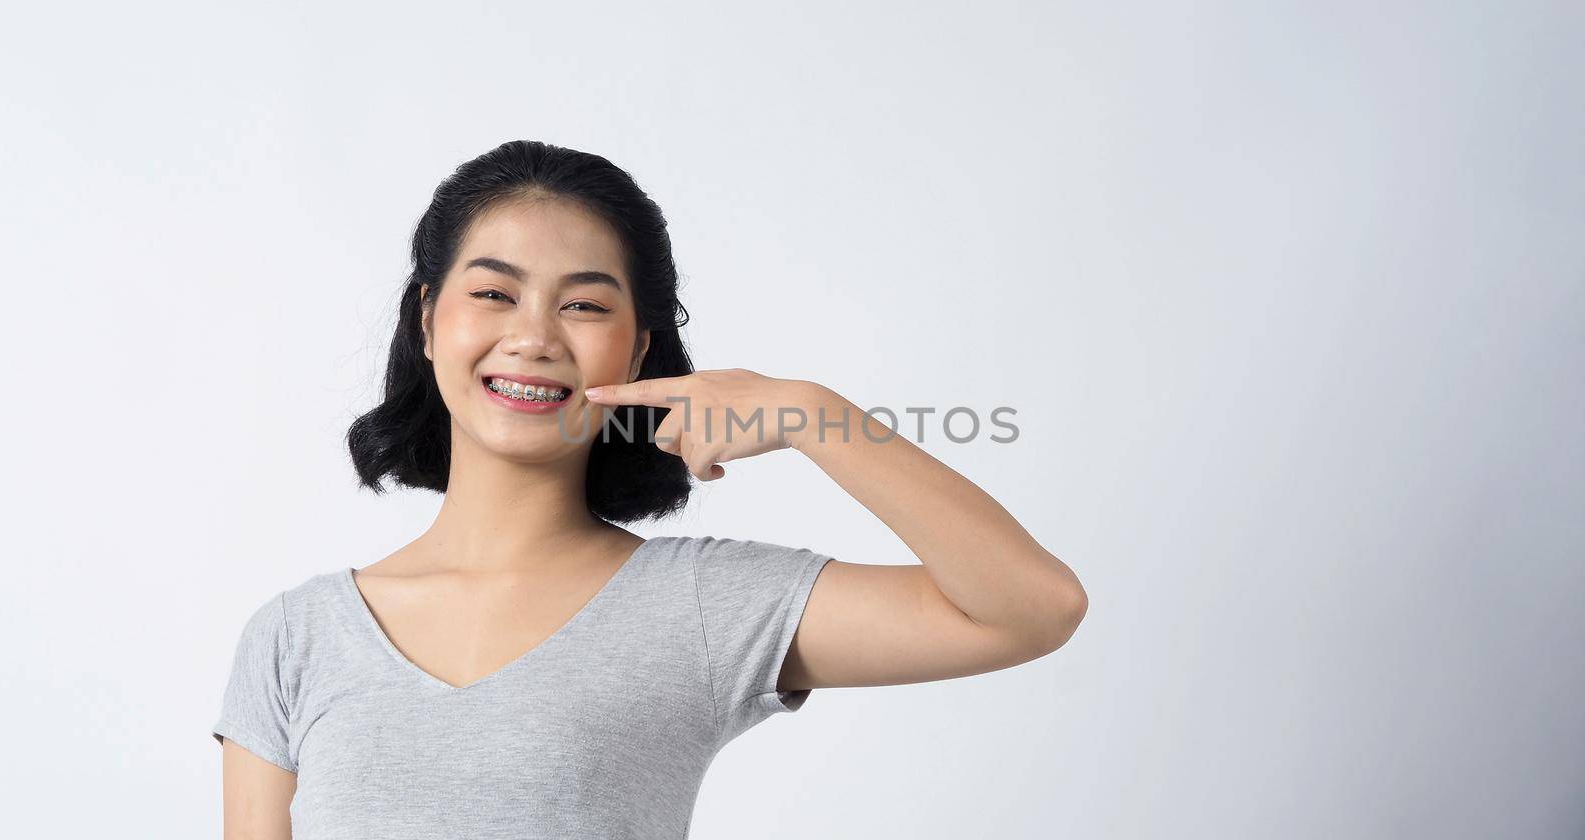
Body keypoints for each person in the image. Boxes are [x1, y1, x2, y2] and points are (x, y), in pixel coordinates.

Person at [210, 140, 1089, 839]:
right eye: (494, 293)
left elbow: (1030, 608)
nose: (533, 337)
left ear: (636, 353)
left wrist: (815, 415)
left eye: (585, 306)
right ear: (429, 319)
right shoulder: (296, 636)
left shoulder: (699, 605)